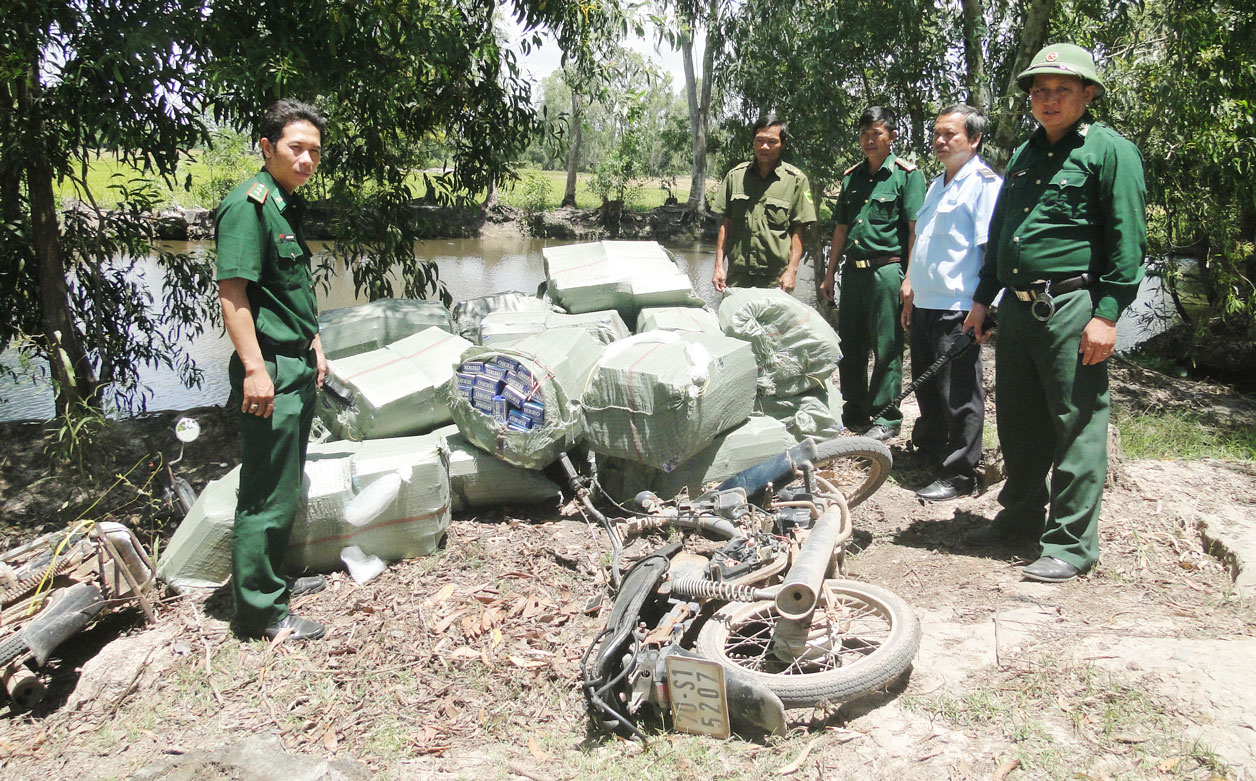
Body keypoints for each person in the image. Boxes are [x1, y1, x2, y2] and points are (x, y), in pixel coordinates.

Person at [963, 44, 1147, 582]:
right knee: (1018, 421)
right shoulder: (1025, 153)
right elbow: (1003, 234)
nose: (1048, 99)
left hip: (1071, 306)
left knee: (1077, 424)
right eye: (1039, 90)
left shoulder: (1110, 151)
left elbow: (1127, 240)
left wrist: (1108, 314)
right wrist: (982, 301)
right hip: (1018, 310)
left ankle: (1070, 544)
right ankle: (1020, 517)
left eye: (1062, 89)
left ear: (1088, 95)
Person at [216, 99, 331, 640]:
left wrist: (316, 344)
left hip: (296, 362)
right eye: (296, 148)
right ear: (267, 148)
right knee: (265, 488)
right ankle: (260, 612)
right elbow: (233, 294)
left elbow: (288, 293)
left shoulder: (285, 205)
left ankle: (270, 578)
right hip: (271, 371)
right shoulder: (249, 206)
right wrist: (255, 371)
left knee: (283, 482)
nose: (307, 159)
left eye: (314, 150)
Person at [901, 105, 1002, 501]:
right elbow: (924, 241)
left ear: (974, 139)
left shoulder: (983, 184)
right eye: (937, 134)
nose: (940, 141)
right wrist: (910, 285)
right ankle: (930, 452)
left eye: (950, 135)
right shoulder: (937, 183)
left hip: (958, 306)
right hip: (926, 301)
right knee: (926, 385)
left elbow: (989, 251)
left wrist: (983, 306)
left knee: (958, 391)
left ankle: (960, 472)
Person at [821, 107, 926, 441]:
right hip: (853, 273)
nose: (869, 140)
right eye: (864, 133)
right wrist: (829, 274)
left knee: (887, 345)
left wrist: (909, 278)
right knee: (849, 343)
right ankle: (854, 407)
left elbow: (914, 231)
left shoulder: (907, 176)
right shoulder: (852, 177)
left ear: (892, 137)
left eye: (876, 133)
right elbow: (841, 228)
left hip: (887, 270)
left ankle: (886, 417)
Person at [712, 113, 817, 293]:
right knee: (734, 320)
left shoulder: (796, 181)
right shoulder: (735, 176)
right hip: (738, 276)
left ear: (783, 144)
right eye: (759, 140)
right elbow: (726, 225)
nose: (764, 146)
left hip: (775, 279)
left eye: (772, 141)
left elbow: (799, 231)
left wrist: (792, 271)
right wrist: (718, 266)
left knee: (774, 322)